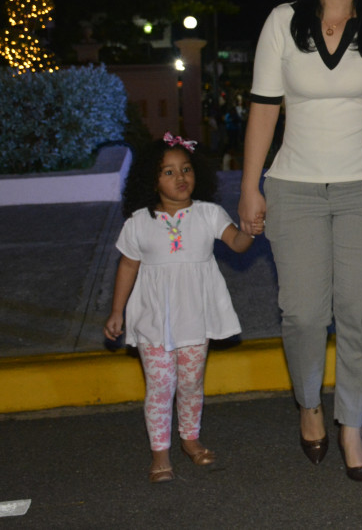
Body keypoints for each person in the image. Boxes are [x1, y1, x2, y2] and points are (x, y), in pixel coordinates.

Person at [237, 0, 362, 482]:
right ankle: (309, 404)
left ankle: (352, 425)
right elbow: (263, 109)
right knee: (302, 313)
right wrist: (250, 186)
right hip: (293, 189)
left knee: (359, 312)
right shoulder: (283, 21)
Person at [104, 132, 254, 483]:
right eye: (168, 172)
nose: (180, 177)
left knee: (190, 383)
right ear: (151, 180)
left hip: (194, 318)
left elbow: (237, 243)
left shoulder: (208, 214)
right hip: (153, 318)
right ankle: (160, 453)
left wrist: (250, 228)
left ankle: (190, 439)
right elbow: (127, 266)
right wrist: (116, 311)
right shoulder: (139, 222)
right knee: (160, 386)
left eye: (186, 169)